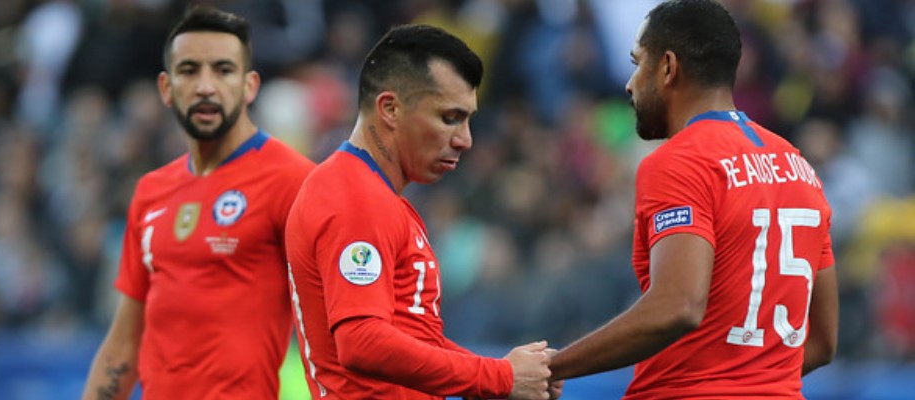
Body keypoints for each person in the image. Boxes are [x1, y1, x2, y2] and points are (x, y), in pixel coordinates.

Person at [549, 0, 839, 398]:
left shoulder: (680, 161)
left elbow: (678, 306)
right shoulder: (799, 167)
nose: (630, 84)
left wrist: (553, 367)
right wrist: (753, 380)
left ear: (668, 67)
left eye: (638, 63)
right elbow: (823, 340)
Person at [284, 24, 559, 400]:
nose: (465, 140)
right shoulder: (354, 196)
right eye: (450, 118)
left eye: (468, 120)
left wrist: (504, 375)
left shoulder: (380, 197)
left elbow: (413, 336)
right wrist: (497, 376)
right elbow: (361, 341)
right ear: (390, 108)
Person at [81, 6, 315, 400]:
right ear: (166, 88)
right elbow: (123, 345)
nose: (205, 86)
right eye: (189, 71)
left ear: (250, 86)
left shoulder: (295, 182)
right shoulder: (151, 191)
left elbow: (343, 325)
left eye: (223, 70)